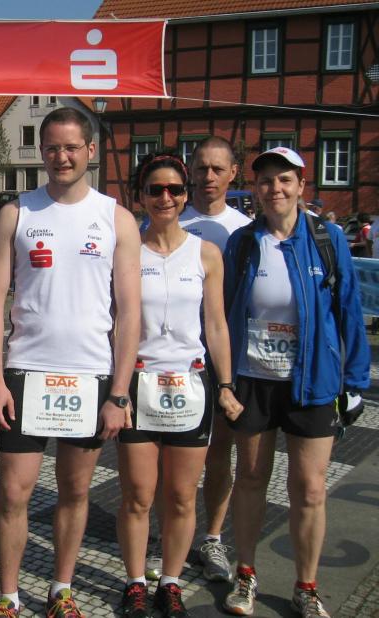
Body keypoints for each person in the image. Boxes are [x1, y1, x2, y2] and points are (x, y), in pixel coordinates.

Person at [0, 107, 141, 617]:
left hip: (90, 374)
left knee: (75, 491)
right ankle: (8, 597)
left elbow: (129, 311)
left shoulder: (116, 218)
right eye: (52, 147)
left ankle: (61, 590)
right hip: (25, 372)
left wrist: (120, 392)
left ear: (90, 151)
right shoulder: (17, 213)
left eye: (72, 147)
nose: (61, 157)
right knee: (14, 493)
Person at [222, 147, 370, 617]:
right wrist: (222, 380)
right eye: (266, 181)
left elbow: (349, 310)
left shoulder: (327, 239)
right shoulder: (244, 243)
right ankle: (245, 574)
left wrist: (355, 381)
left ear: (301, 185)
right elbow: (223, 313)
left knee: (309, 488)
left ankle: (306, 587)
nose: (275, 189)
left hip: (313, 380)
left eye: (284, 180)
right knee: (250, 479)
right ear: (256, 188)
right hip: (254, 380)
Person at [116, 152, 242, 618]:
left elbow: (217, 324)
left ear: (186, 195)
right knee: (138, 495)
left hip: (190, 383)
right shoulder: (127, 251)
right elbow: (115, 321)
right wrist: (116, 389)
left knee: (182, 496)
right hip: (139, 381)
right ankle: (135, 582)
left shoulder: (206, 253)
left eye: (174, 189)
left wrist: (225, 384)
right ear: (141, 196)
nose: (165, 197)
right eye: (155, 189)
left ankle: (170, 582)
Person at [171, 137, 252, 584]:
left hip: (221, 359)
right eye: (200, 168)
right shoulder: (169, 217)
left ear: (233, 173)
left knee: (220, 451)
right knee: (168, 455)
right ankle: (167, 535)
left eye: (217, 169)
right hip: (171, 360)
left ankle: (213, 537)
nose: (208, 177)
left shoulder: (243, 230)